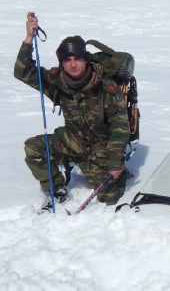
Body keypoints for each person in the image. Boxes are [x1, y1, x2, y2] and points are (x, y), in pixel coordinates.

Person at [14, 12, 131, 211]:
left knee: (109, 197)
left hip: (101, 146)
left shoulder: (106, 87)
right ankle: (57, 188)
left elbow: (119, 128)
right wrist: (28, 38)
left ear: (85, 60)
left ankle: (117, 169)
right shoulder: (57, 81)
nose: (73, 64)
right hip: (72, 139)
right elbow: (23, 72)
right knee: (33, 149)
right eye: (67, 60)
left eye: (76, 58)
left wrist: (114, 161)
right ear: (61, 62)